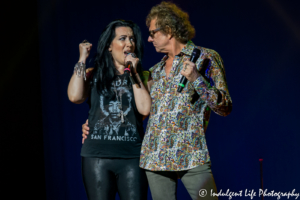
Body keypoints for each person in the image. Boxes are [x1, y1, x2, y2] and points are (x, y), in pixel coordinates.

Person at [82, 2, 232, 200]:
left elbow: (224, 107)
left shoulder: (206, 58)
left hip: (192, 155)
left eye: (153, 33)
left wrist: (197, 79)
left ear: (168, 31)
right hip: (155, 159)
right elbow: (139, 111)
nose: (149, 39)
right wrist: (93, 124)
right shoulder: (154, 71)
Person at [68, 19, 151, 200]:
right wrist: (82, 58)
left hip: (132, 156)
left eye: (132, 39)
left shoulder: (143, 76)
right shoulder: (93, 73)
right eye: (122, 38)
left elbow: (145, 110)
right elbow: (75, 96)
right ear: (109, 46)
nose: (129, 43)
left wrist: (134, 72)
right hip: (96, 156)